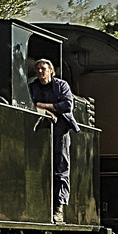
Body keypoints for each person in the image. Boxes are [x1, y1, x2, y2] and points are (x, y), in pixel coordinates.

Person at [29, 57, 78, 214]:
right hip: (39, 126)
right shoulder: (32, 87)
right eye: (38, 69)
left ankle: (59, 205)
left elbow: (67, 105)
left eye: (43, 68)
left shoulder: (61, 85)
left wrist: (43, 106)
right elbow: (29, 103)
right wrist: (48, 112)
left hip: (61, 127)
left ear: (51, 71)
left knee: (61, 164)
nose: (40, 71)